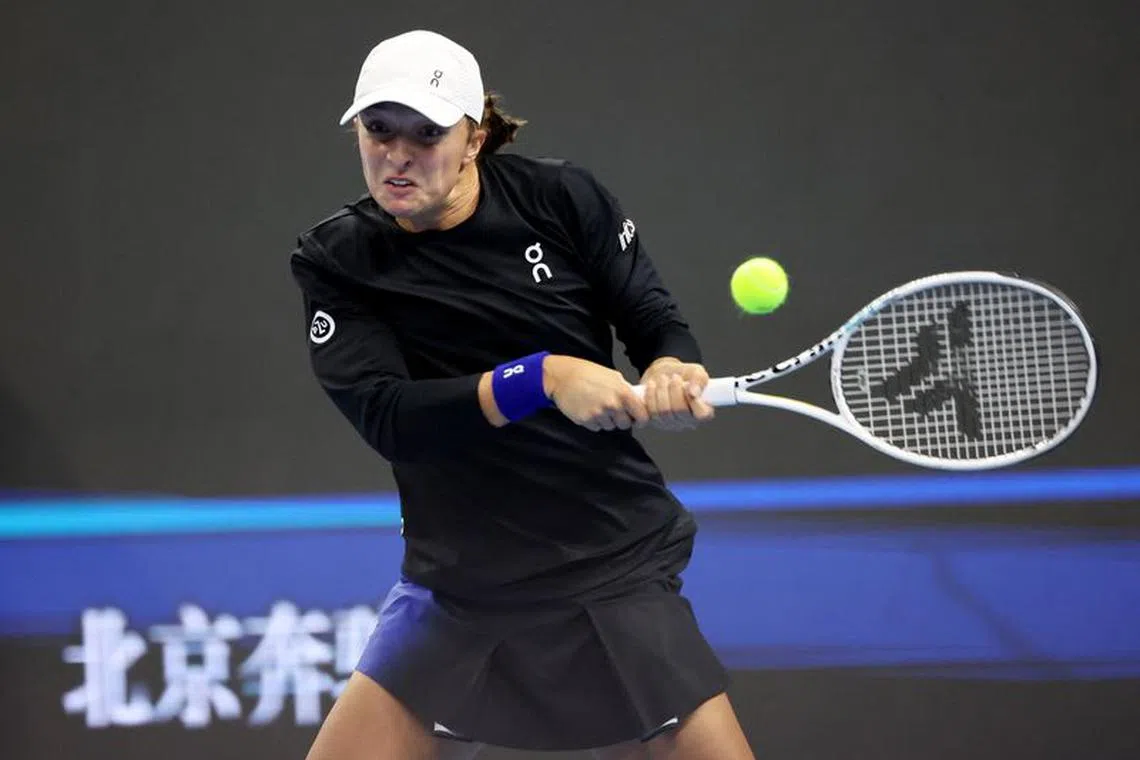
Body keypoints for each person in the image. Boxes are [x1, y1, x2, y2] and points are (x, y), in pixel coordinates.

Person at [290, 29, 756, 760]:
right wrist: (541, 378)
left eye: (427, 133)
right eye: (379, 129)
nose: (398, 154)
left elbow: (653, 321)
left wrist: (672, 366)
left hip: (607, 559)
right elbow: (388, 416)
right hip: (457, 582)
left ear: (474, 140)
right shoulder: (337, 258)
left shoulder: (561, 200)